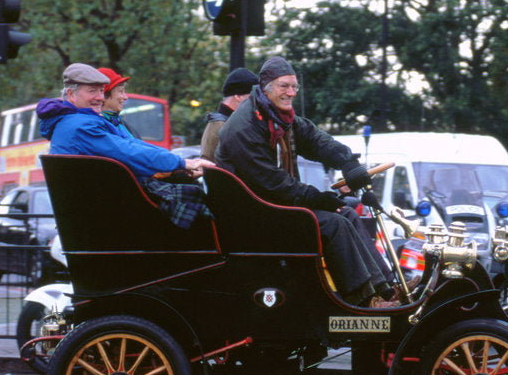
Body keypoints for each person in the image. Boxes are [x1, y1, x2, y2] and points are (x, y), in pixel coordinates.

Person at [216, 56, 398, 307]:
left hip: (273, 205)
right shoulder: (244, 127)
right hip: (253, 216)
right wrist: (316, 198)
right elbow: (271, 182)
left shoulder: (278, 116)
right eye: (284, 86)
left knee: (347, 213)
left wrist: (347, 162)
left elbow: (314, 139)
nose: (290, 92)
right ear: (266, 86)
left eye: (294, 86)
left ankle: (387, 290)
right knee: (335, 224)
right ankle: (364, 301)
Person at [38, 63, 213, 229]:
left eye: (101, 91)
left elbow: (131, 144)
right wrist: (182, 164)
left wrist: (179, 162)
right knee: (197, 197)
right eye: (92, 91)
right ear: (70, 94)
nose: (100, 97)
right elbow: (127, 152)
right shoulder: (80, 126)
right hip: (104, 212)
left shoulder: (78, 121)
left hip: (99, 206)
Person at [201, 68, 259, 161]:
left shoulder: (226, 123)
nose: (256, 102)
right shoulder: (221, 125)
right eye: (252, 97)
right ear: (238, 97)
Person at [96, 66, 140, 140]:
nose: (125, 97)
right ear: (103, 96)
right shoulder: (98, 127)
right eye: (120, 91)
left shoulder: (119, 123)